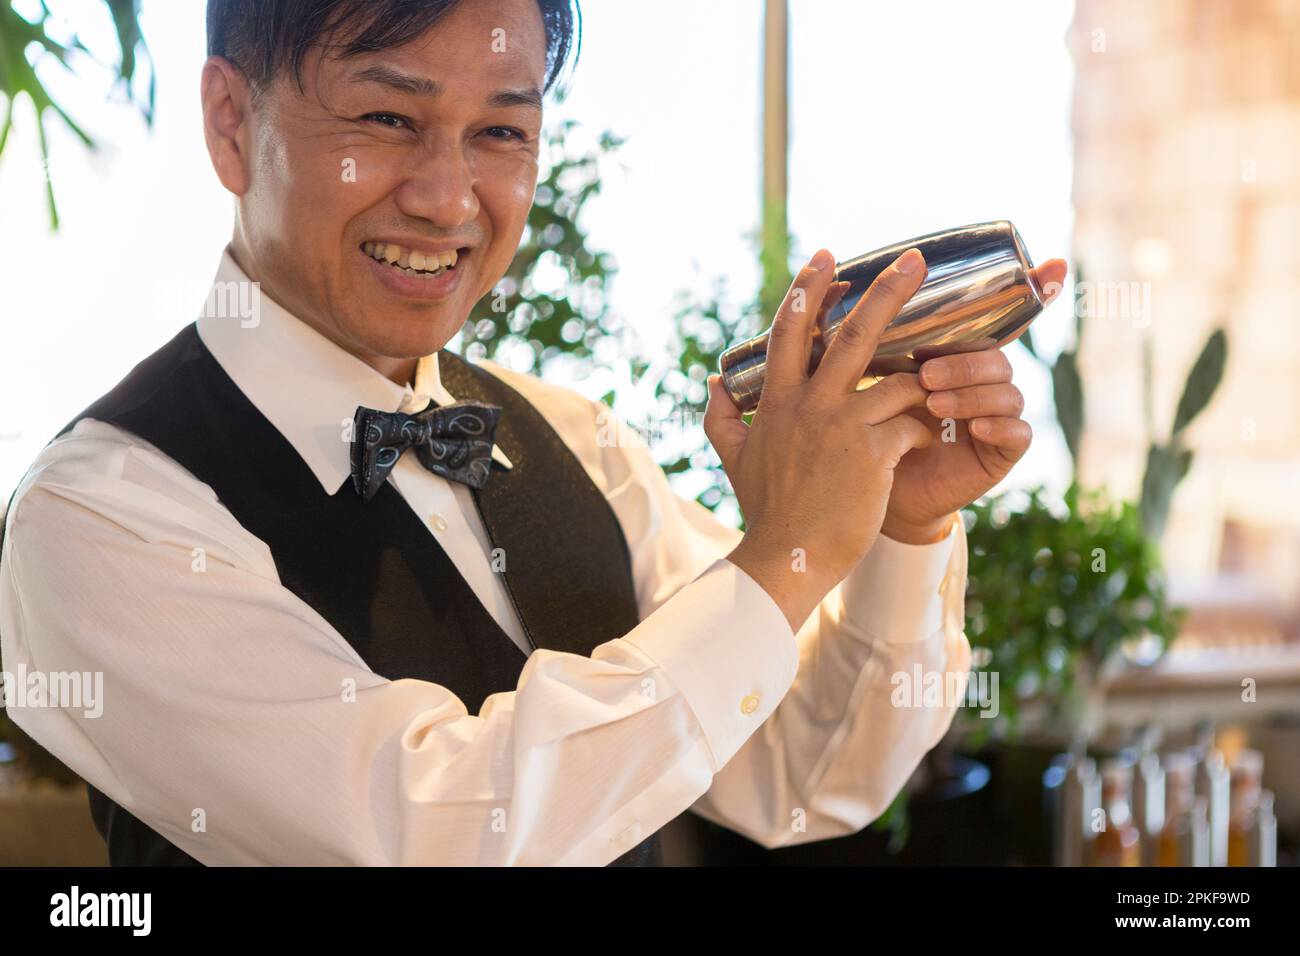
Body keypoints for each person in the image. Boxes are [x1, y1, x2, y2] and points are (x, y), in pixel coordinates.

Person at [0, 0, 1066, 865]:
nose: (447, 196)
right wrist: (788, 554)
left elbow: (804, 776)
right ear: (231, 123)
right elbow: (428, 829)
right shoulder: (102, 514)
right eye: (386, 120)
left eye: (501, 132)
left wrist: (898, 525)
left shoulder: (576, 440)